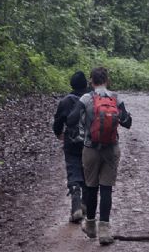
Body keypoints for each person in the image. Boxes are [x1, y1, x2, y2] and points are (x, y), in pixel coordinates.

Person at [66, 66, 132, 246]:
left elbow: (71, 119)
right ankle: (104, 231)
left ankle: (90, 226)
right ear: (107, 80)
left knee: (91, 187)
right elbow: (128, 122)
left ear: (91, 81)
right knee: (106, 189)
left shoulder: (86, 98)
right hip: (111, 149)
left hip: (90, 149)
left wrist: (80, 131)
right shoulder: (115, 98)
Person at [52, 71, 90, 223]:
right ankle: (85, 205)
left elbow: (58, 122)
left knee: (73, 169)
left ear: (71, 84)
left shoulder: (66, 101)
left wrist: (59, 134)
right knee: (87, 171)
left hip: (71, 141)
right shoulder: (91, 97)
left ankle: (76, 207)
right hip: (89, 141)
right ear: (86, 84)